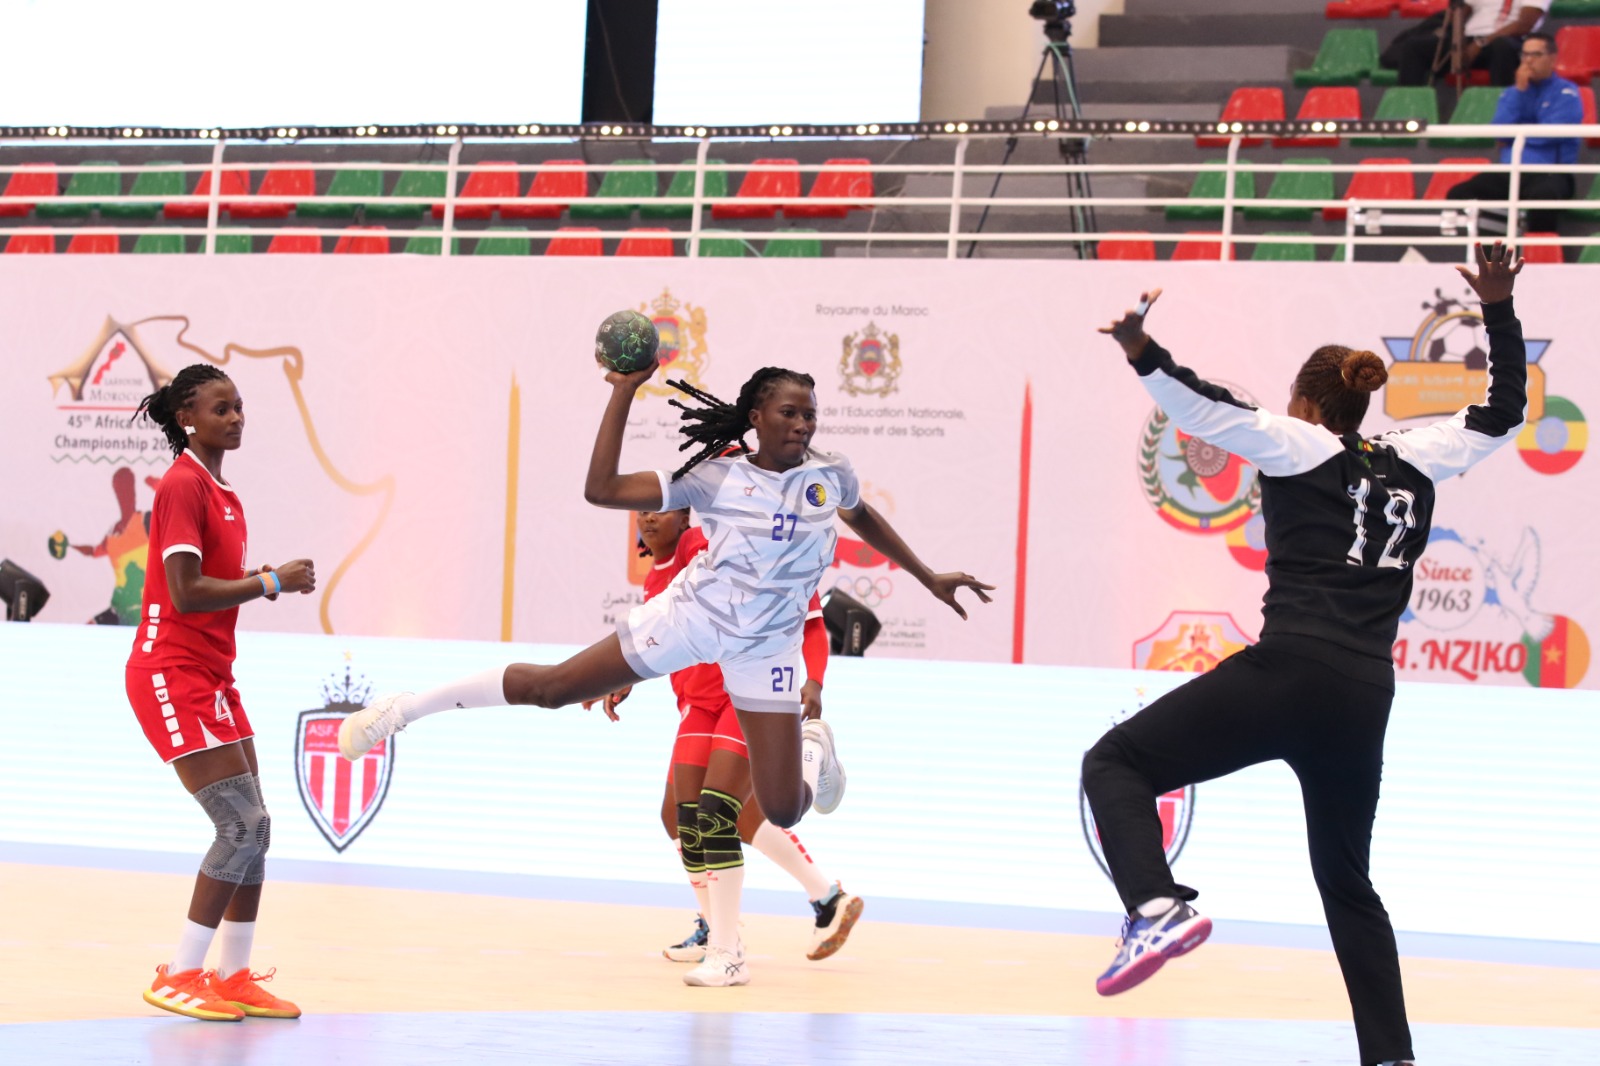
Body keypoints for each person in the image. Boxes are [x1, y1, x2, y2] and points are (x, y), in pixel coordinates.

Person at [1082, 241, 1527, 1066]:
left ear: (1306, 403)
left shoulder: (1301, 443)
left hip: (1289, 671)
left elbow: (1206, 408)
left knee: (1114, 763)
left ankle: (1152, 907)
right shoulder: (1414, 459)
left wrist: (1144, 352)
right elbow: (1503, 414)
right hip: (1363, 694)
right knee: (1349, 885)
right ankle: (1391, 1056)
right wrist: (1497, 312)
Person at [339, 359, 991, 839]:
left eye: (810, 413)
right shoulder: (716, 477)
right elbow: (601, 489)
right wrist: (624, 392)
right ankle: (405, 710)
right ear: (757, 416)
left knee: (787, 809)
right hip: (689, 622)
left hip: (767, 649)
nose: (802, 423)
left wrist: (927, 575)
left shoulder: (830, 474)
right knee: (555, 688)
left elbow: (863, 515)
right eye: (788, 412)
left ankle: (813, 741)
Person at [589, 505, 862, 986]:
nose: (649, 518)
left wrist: (814, 681)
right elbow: (653, 643)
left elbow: (810, 620)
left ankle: (727, 941)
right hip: (697, 704)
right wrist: (619, 678)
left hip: (744, 695)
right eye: (643, 511)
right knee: (683, 815)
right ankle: (807, 902)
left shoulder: (713, 547)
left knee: (719, 811)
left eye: (663, 508)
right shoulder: (657, 580)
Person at [125, 364, 317, 1022]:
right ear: (187, 418)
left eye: (239, 408)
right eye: (220, 409)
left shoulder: (225, 494)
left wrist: (266, 577)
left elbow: (210, 588)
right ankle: (180, 973)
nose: (235, 418)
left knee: (257, 831)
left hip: (213, 678)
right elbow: (185, 592)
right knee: (240, 824)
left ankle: (232, 975)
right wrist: (270, 583)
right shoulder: (183, 485)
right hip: (170, 673)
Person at [1447, 31, 1581, 236]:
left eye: (1535, 55)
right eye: (1524, 55)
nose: (1528, 61)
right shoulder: (1512, 93)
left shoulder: (1567, 93)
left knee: (1543, 198)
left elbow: (1553, 133)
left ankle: (1540, 257)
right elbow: (1500, 130)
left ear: (1552, 59)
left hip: (1550, 172)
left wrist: (1518, 135)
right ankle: (1487, 258)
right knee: (1460, 193)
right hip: (1511, 170)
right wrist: (1520, 91)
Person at [1393, 0, 1546, 88]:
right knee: (1414, 46)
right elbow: (1457, 15)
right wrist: (1458, 43)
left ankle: (1502, 113)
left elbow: (1524, 25)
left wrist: (1481, 43)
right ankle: (1409, 112)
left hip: (1509, 41)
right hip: (1469, 38)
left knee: (1502, 47)